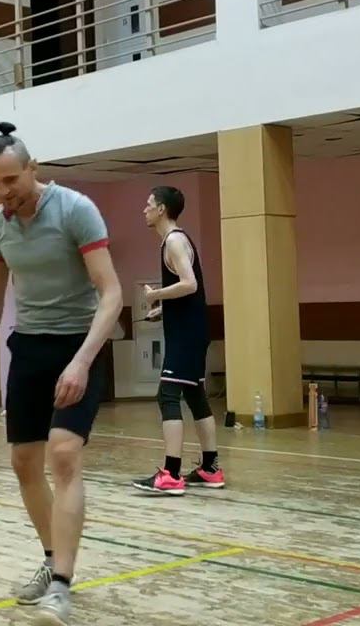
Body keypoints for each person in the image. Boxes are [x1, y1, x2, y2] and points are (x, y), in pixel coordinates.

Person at [0, 122, 122, 625]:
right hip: (29, 347)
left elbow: (111, 293)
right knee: (24, 463)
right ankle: (52, 562)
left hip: (79, 343)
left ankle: (63, 586)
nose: (3, 191)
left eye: (11, 179)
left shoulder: (75, 210)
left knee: (64, 453)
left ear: (33, 168)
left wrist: (82, 361)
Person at [133, 186, 225, 495]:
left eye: (148, 204)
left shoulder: (173, 241)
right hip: (191, 331)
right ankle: (210, 468)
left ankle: (171, 474)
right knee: (196, 396)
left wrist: (155, 295)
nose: (144, 209)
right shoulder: (176, 240)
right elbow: (190, 295)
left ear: (161, 209)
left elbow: (189, 284)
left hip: (186, 336)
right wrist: (163, 310)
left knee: (167, 396)